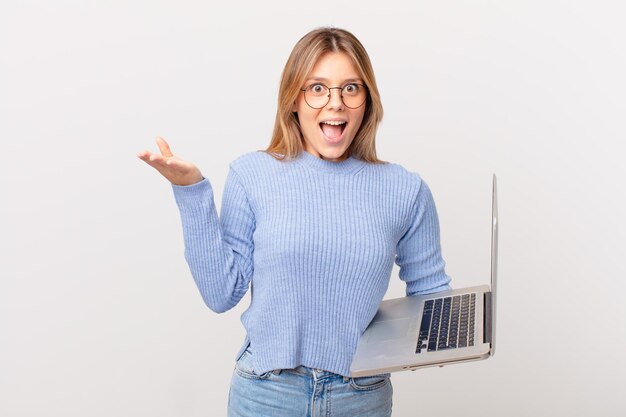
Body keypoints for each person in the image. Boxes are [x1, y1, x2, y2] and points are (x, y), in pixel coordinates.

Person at [138, 27, 451, 417]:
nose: (335, 103)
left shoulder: (405, 189)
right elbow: (221, 294)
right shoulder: (252, 174)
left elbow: (431, 294)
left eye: (350, 88)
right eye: (317, 88)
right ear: (294, 100)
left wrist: (458, 325)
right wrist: (191, 192)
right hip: (267, 394)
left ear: (367, 101)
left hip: (361, 396)